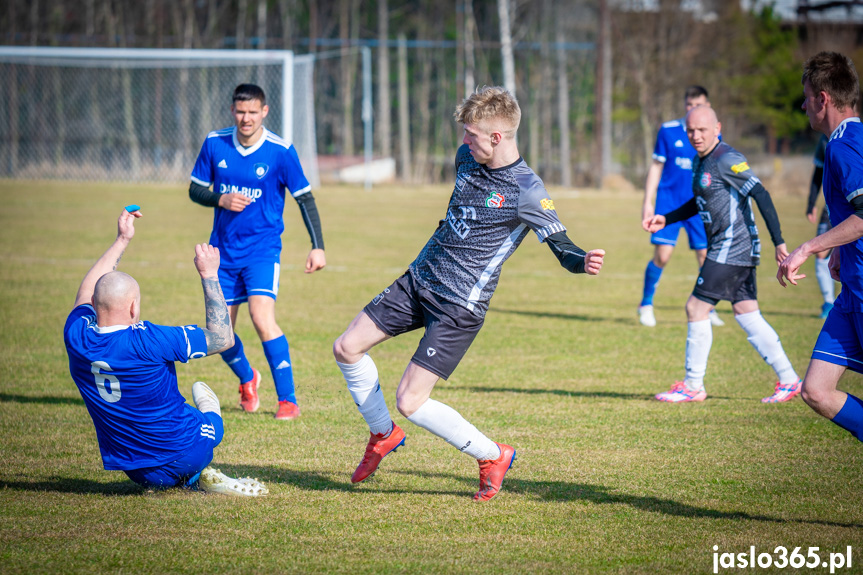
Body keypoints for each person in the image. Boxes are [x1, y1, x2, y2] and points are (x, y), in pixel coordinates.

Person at [332, 86, 605, 501]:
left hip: (459, 305)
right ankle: (382, 434)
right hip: (419, 279)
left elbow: (560, 242)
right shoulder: (466, 158)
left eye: (471, 134)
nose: (463, 142)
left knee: (410, 400)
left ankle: (492, 455)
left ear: (497, 137)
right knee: (347, 347)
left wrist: (581, 259)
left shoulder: (527, 190)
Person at [63, 208, 267, 496]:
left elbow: (86, 291)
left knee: (169, 444)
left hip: (138, 471)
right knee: (211, 423)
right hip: (188, 451)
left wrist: (122, 239)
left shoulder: (76, 336)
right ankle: (209, 422)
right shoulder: (151, 340)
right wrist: (209, 274)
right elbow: (222, 338)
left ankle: (197, 480)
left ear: (94, 305)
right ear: (133, 307)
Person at [644, 105, 801, 403]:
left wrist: (779, 242)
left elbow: (761, 194)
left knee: (696, 308)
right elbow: (699, 199)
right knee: (747, 313)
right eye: (690, 130)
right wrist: (667, 218)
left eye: (702, 130)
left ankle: (693, 385)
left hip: (732, 246)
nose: (695, 136)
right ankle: (790, 380)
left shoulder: (727, 158)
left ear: (717, 128)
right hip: (731, 248)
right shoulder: (700, 161)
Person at [189, 83, 326, 420]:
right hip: (221, 253)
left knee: (263, 319)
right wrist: (219, 199)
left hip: (263, 250)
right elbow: (195, 189)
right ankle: (248, 378)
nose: (245, 118)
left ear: (264, 111)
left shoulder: (280, 151)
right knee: (219, 335)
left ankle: (288, 400)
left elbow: (304, 197)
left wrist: (317, 246)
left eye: (252, 112)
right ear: (232, 111)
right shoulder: (214, 142)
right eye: (240, 111)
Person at [778, 51, 863, 445]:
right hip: (851, 295)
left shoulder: (843, 147)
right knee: (815, 389)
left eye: (807, 96)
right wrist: (842, 250)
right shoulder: (846, 142)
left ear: (824, 99)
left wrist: (809, 247)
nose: (803, 104)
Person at [639, 85, 724, 328]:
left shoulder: (711, 133)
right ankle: (646, 304)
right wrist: (648, 201)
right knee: (662, 256)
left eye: (699, 105)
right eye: (689, 105)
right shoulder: (668, 131)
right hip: (668, 203)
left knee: (705, 257)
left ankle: (707, 306)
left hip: (699, 204)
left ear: (707, 106)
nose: (693, 109)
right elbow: (656, 166)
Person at [805, 134, 837, 318]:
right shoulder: (825, 139)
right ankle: (828, 302)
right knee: (821, 252)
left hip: (856, 208)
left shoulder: (856, 133)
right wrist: (811, 204)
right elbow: (818, 173)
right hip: (831, 206)